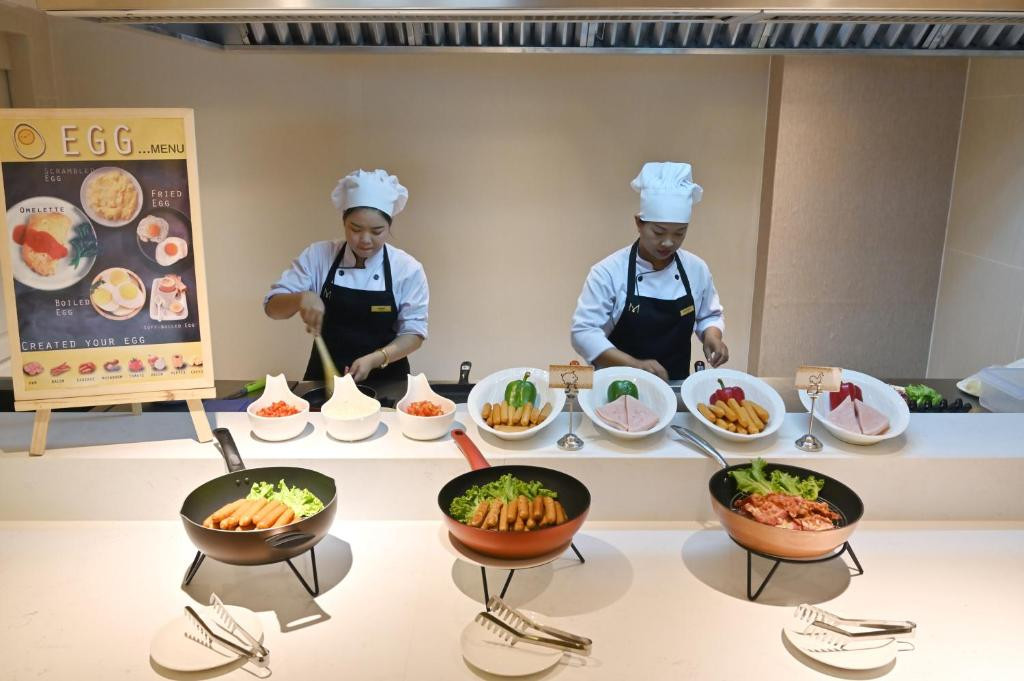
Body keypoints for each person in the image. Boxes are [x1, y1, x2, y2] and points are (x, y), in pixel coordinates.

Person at [265, 169, 428, 386]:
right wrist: (301, 298)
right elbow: (272, 308)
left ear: (389, 227)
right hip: (324, 382)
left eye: (377, 231)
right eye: (356, 229)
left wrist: (376, 358)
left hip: (387, 382)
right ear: (344, 222)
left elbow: (414, 333)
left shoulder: (407, 269)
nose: (365, 240)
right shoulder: (318, 256)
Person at [570, 161, 727, 381]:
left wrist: (712, 336)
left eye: (679, 233)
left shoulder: (696, 269)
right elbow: (583, 333)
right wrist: (634, 365)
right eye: (659, 232)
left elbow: (709, 315)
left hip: (674, 387)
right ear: (639, 223)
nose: (668, 242)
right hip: (617, 386)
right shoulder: (608, 272)